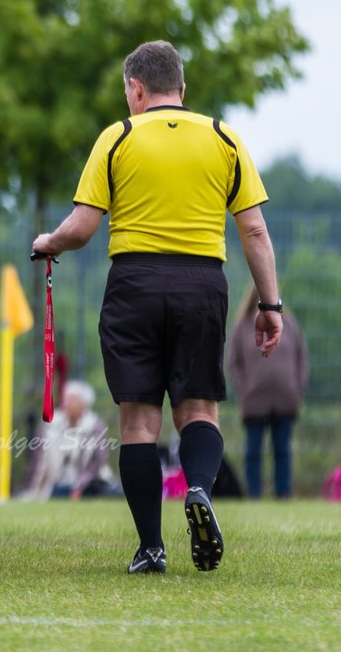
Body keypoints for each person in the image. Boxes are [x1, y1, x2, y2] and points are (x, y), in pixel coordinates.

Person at [32, 39, 282, 574]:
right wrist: (270, 304)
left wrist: (47, 242)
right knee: (197, 410)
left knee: (139, 421)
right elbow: (255, 230)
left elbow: (80, 228)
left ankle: (151, 547)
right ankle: (196, 488)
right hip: (203, 285)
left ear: (136, 89)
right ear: (182, 90)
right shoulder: (223, 137)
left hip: (135, 284)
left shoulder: (118, 137)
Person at [228, 285, 309, 498]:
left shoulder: (289, 324)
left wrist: (297, 388)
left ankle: (283, 492)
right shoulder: (242, 325)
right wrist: (244, 390)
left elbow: (302, 358)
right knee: (253, 451)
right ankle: (254, 493)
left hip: (285, 397)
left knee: (282, 450)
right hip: (254, 399)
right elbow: (234, 363)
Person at [22, 381, 120, 500]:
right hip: (56, 484)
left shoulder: (95, 425)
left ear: (83, 404)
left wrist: (80, 486)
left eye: (71, 400)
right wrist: (32, 488)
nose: (65, 403)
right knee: (57, 493)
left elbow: (98, 461)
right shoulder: (50, 423)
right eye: (65, 399)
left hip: (88, 483)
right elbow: (37, 460)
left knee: (107, 492)